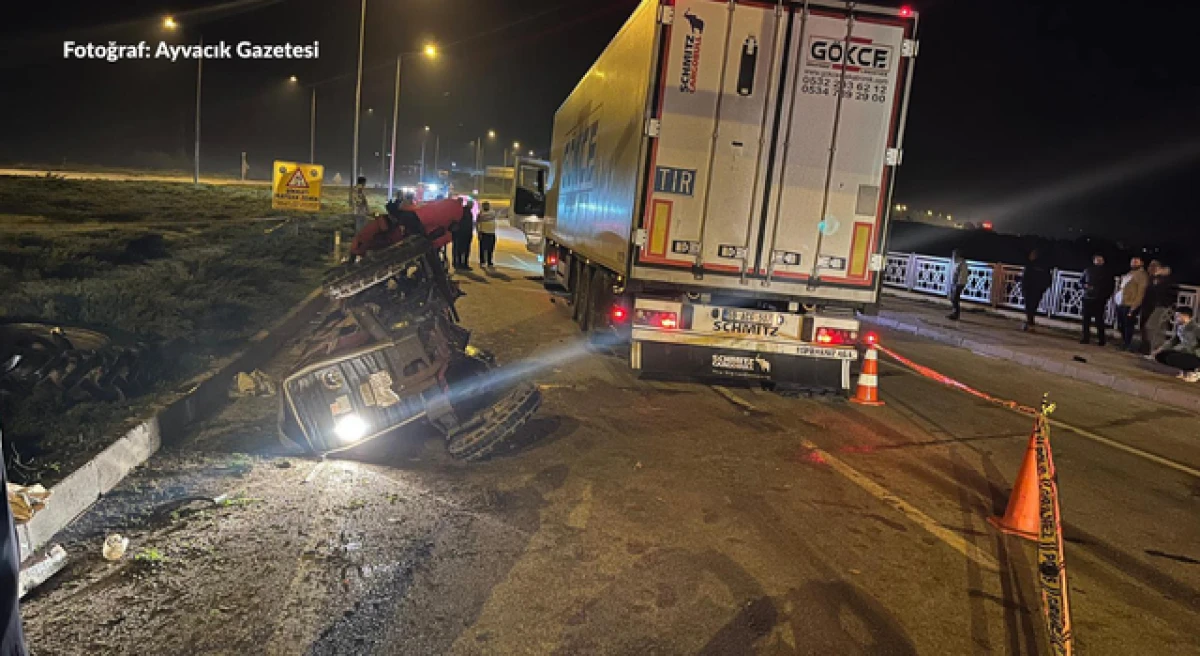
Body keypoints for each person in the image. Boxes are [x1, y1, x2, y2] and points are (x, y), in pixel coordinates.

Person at [1149, 306, 1200, 382]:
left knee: (1172, 359)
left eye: (1178, 316)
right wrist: (1159, 350)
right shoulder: (1180, 327)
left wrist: (1196, 352)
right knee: (1161, 356)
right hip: (1185, 352)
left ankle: (1195, 371)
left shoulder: (1196, 328)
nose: (1175, 318)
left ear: (1185, 316)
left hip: (1195, 355)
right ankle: (1186, 371)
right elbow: (1173, 341)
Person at [1113, 256, 1149, 351]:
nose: (1133, 263)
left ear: (1141, 263)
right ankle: (1124, 341)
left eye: (1136, 262)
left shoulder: (1142, 275)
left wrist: (1134, 306)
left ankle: (1127, 344)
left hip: (1131, 304)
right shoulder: (1129, 273)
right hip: (1121, 302)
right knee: (1121, 324)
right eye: (1132, 261)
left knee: (1128, 325)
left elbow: (1141, 292)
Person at [1079, 254, 1113, 346]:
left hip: (1099, 299)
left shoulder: (1107, 273)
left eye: (1100, 259)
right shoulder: (1088, 270)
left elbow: (1110, 287)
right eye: (1097, 260)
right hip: (1087, 298)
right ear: (1094, 261)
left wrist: (1105, 297)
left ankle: (1101, 340)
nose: (1098, 261)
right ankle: (1085, 338)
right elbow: (1081, 282)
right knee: (1086, 320)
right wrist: (1084, 286)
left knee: (1099, 320)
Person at [1141, 261, 1175, 353]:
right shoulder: (1152, 278)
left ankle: (1155, 349)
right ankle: (1151, 349)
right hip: (1150, 305)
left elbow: (1166, 294)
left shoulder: (1167, 281)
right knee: (1152, 328)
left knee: (1152, 327)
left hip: (1161, 306)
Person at [1020, 249, 1053, 332]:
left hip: (1030, 289)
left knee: (1029, 307)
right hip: (1038, 290)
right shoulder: (1044, 266)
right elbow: (1048, 279)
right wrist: (1044, 288)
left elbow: (1025, 277)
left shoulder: (1030, 265)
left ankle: (1030, 324)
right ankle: (1030, 323)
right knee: (1033, 307)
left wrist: (1023, 287)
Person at [453, 199, 475, 270]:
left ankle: (459, 263)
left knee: (460, 249)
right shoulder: (466, 212)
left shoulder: (463, 211)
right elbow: (468, 225)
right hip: (464, 234)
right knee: (464, 250)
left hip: (461, 234)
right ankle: (463, 264)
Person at [946, 251, 968, 321]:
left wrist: (958, 283)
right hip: (955, 283)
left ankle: (956, 314)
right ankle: (954, 313)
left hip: (959, 283)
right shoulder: (955, 262)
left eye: (955, 254)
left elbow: (962, 275)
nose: (953, 256)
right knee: (953, 298)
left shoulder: (962, 263)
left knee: (955, 299)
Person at [477, 201, 497, 268]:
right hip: (484, 232)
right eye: (485, 206)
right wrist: (479, 232)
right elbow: (478, 224)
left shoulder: (493, 212)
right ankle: (482, 261)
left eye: (487, 205)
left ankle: (489, 261)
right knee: (482, 248)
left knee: (491, 248)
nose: (486, 207)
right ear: (483, 206)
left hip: (492, 233)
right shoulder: (480, 213)